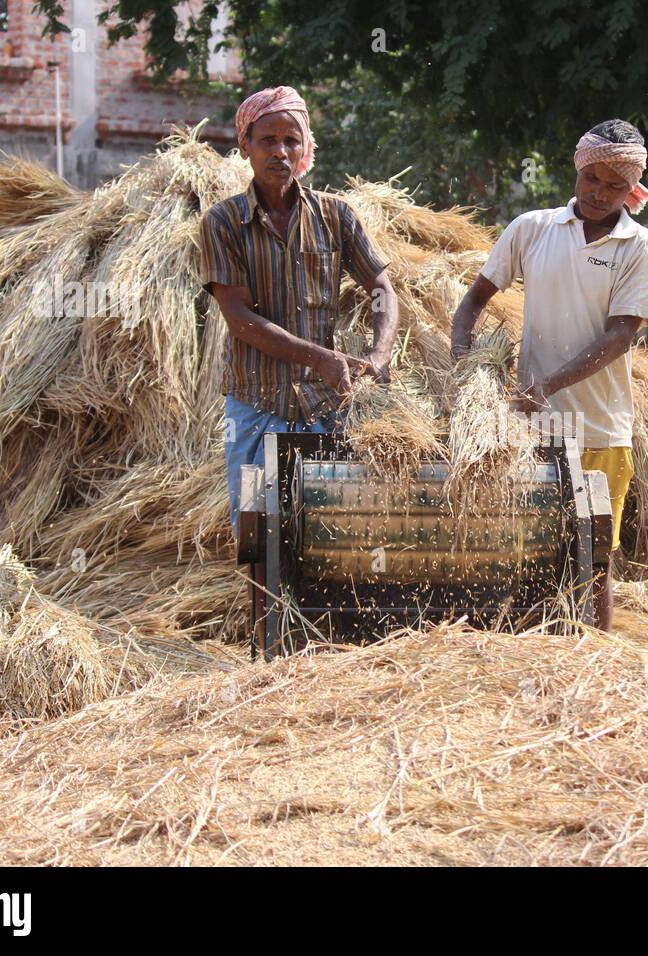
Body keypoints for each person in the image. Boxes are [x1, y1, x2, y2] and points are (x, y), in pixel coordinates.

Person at [200, 86, 400, 652]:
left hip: (324, 411)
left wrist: (379, 356)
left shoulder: (336, 217)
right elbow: (240, 318)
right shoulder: (223, 223)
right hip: (255, 406)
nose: (281, 151)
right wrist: (323, 358)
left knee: (328, 534)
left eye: (292, 139)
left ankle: (327, 650)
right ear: (246, 147)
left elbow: (382, 288)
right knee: (260, 539)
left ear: (307, 147)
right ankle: (271, 652)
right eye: (268, 140)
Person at [450, 119, 648, 630]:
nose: (598, 193)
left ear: (631, 189)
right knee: (529, 549)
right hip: (531, 430)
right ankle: (528, 651)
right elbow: (473, 302)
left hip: (600, 426)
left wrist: (548, 385)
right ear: (578, 169)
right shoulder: (532, 229)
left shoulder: (641, 246)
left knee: (594, 557)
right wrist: (462, 362)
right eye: (592, 179)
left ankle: (594, 662)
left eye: (614, 186)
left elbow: (619, 336)